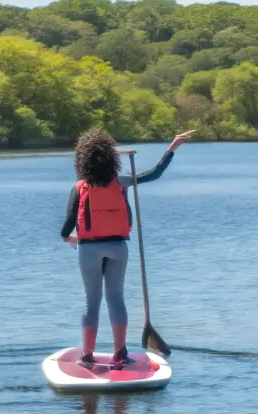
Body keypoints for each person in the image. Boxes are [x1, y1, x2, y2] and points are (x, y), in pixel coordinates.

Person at [60, 128, 194, 366]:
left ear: (82, 162)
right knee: (116, 299)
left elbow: (69, 223)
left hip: (88, 248)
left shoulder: (80, 187)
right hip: (118, 247)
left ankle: (88, 355)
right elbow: (154, 174)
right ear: (111, 160)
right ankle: (120, 353)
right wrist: (171, 148)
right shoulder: (121, 182)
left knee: (92, 302)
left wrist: (67, 238)